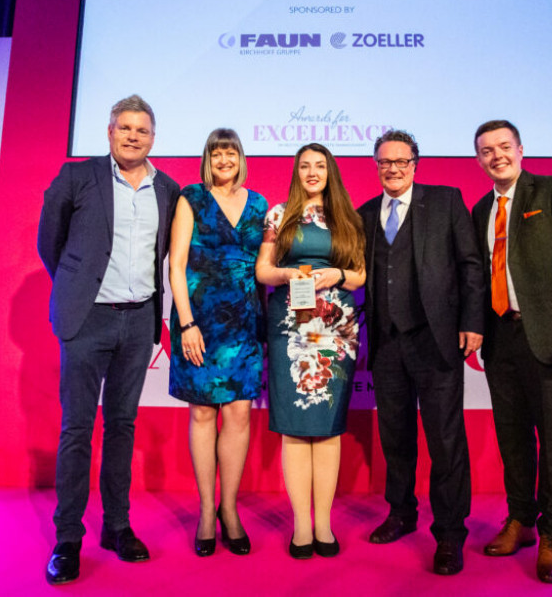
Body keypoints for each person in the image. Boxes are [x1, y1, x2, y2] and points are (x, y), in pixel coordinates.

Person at [37, 95, 180, 585]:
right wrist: (76, 289)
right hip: (87, 320)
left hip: (139, 322)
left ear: (153, 138)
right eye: (125, 128)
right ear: (109, 132)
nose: (133, 136)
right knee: (77, 429)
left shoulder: (169, 190)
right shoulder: (78, 177)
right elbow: (48, 240)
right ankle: (68, 537)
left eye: (142, 130)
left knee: (122, 426)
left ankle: (117, 526)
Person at [471, 120, 552, 584]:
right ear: (479, 159)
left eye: (504, 147)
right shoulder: (479, 210)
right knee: (512, 438)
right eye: (486, 151)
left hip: (550, 337)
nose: (496, 156)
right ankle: (521, 520)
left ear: (521, 149)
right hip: (500, 338)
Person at [357, 129, 484, 576]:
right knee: (396, 436)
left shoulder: (447, 201)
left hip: (437, 340)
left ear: (416, 163)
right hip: (388, 344)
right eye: (384, 162)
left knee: (446, 440)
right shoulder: (366, 213)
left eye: (401, 161)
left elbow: (471, 265)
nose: (393, 169)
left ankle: (450, 532)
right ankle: (402, 513)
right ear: (377, 166)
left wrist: (472, 322)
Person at [256, 143, 365, 559]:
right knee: (295, 429)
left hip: (336, 329)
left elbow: (360, 275)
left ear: (330, 171)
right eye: (305, 166)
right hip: (289, 326)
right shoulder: (279, 215)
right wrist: (289, 273)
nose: (312, 172)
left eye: (320, 165)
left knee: (329, 426)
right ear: (296, 171)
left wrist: (336, 273)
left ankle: (325, 525)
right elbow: (263, 270)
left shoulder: (348, 218)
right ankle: (302, 526)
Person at [168, 128, 267, 557]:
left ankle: (230, 510)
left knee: (240, 414)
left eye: (231, 153)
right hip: (200, 323)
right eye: (216, 153)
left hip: (245, 323)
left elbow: (267, 264)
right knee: (204, 414)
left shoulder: (261, 204)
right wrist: (187, 324)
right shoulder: (191, 198)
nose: (224, 159)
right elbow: (176, 264)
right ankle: (207, 511)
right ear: (207, 158)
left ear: (240, 158)